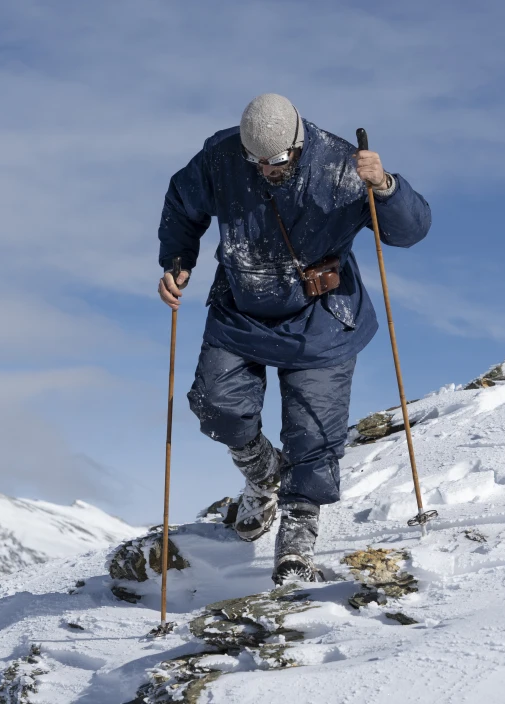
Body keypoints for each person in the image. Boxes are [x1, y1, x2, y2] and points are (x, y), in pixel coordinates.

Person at [156, 93, 431, 584]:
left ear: (298, 143)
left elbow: (409, 232)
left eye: (276, 160)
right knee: (216, 405)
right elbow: (183, 203)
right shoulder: (220, 158)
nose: (265, 168)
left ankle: (297, 543)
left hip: (322, 316)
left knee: (314, 433)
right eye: (255, 160)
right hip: (241, 306)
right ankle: (263, 476)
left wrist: (386, 188)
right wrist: (178, 263)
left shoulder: (344, 164)